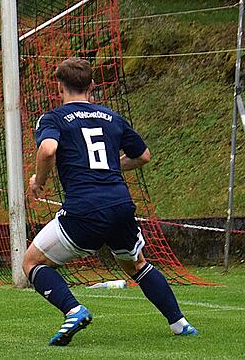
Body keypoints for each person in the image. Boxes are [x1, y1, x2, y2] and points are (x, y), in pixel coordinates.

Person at [24, 58, 197, 346]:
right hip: (120, 204)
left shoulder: (52, 118)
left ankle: (73, 310)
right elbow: (143, 156)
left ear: (59, 86)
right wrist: (112, 167)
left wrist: (39, 181)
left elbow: (47, 148)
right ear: (92, 86)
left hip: (85, 209)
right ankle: (180, 324)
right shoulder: (112, 117)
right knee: (137, 265)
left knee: (32, 262)